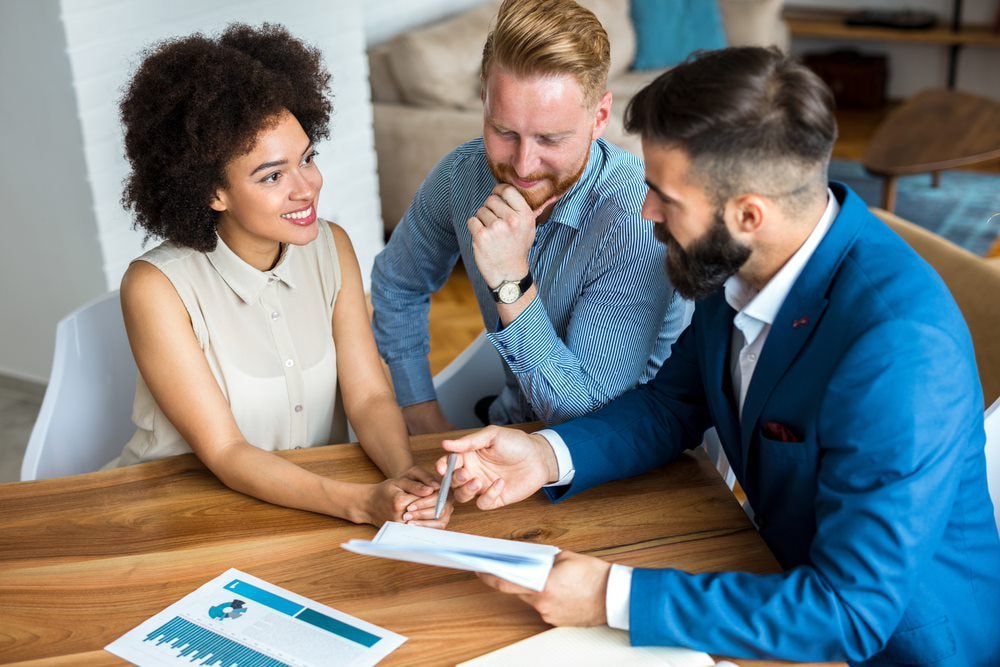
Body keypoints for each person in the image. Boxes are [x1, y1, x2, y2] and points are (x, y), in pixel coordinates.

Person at [437, 47, 1000, 666]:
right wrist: (544, 456)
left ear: (748, 214)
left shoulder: (899, 350)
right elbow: (672, 403)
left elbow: (849, 612)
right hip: (766, 585)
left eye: (664, 196)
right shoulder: (740, 259)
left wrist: (609, 594)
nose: (646, 211)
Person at [114, 24, 450, 528]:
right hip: (177, 516)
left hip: (310, 507)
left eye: (307, 159)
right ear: (213, 193)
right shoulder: (157, 288)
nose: (306, 188)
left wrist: (407, 478)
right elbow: (227, 452)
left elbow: (370, 395)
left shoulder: (332, 248)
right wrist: (360, 503)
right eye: (272, 175)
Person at [370, 0, 689, 434]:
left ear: (599, 118)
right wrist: (420, 412)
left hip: (621, 459)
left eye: (550, 139)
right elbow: (397, 284)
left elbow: (586, 415)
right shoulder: (462, 176)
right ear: (484, 97)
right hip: (508, 427)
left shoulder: (634, 219)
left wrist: (510, 282)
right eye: (504, 132)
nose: (522, 166)